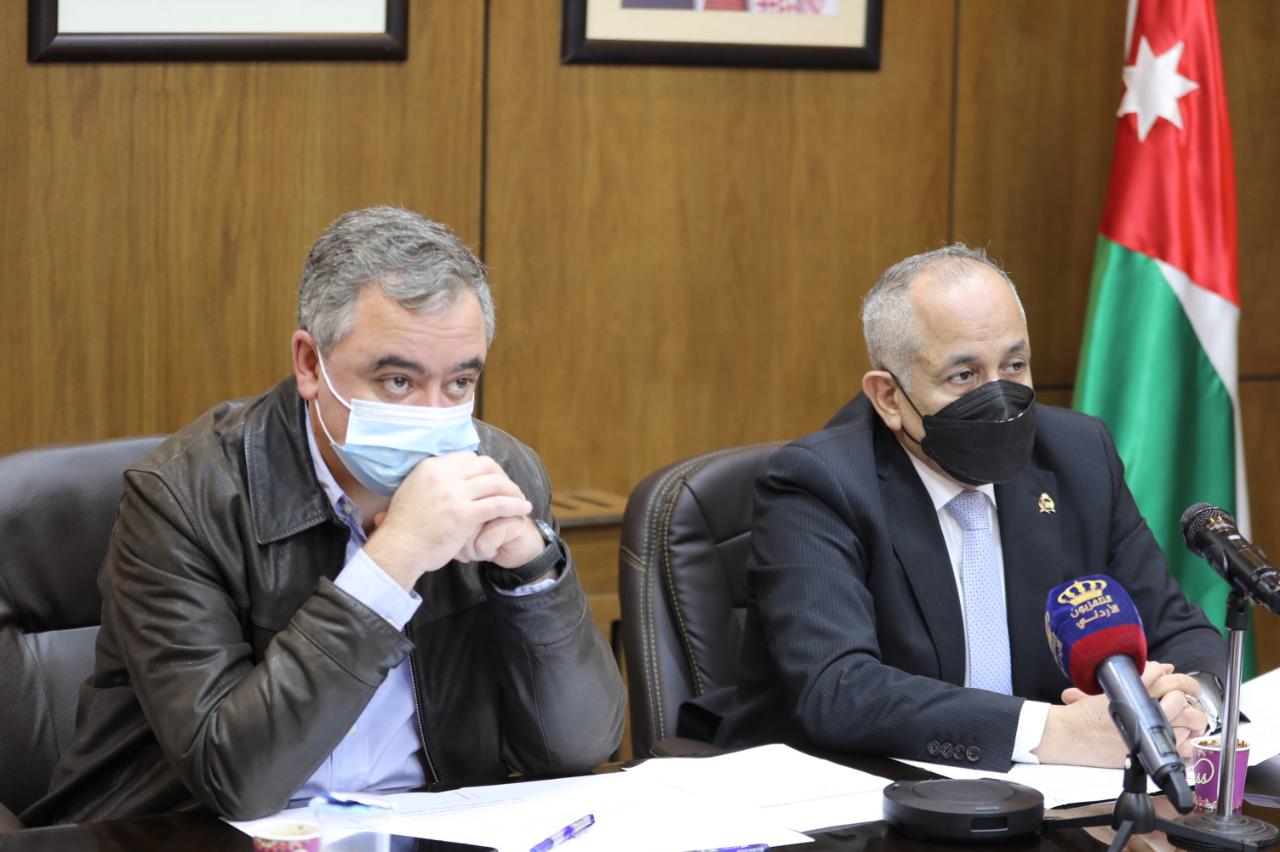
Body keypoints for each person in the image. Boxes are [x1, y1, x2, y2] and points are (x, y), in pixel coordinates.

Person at [22, 206, 626, 825]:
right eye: (397, 381)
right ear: (310, 364)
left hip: (423, 829)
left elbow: (578, 749)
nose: (433, 416)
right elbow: (237, 780)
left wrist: (531, 571)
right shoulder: (181, 499)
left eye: (459, 384)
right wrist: (392, 563)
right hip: (184, 834)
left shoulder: (501, 474)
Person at [704, 244, 1227, 770]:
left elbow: (1178, 630)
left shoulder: (1077, 455)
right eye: (964, 376)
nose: (999, 398)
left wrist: (1187, 703)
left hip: (1051, 796)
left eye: (1014, 366)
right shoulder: (819, 483)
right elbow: (838, 689)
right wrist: (1053, 732)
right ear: (889, 397)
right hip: (844, 792)